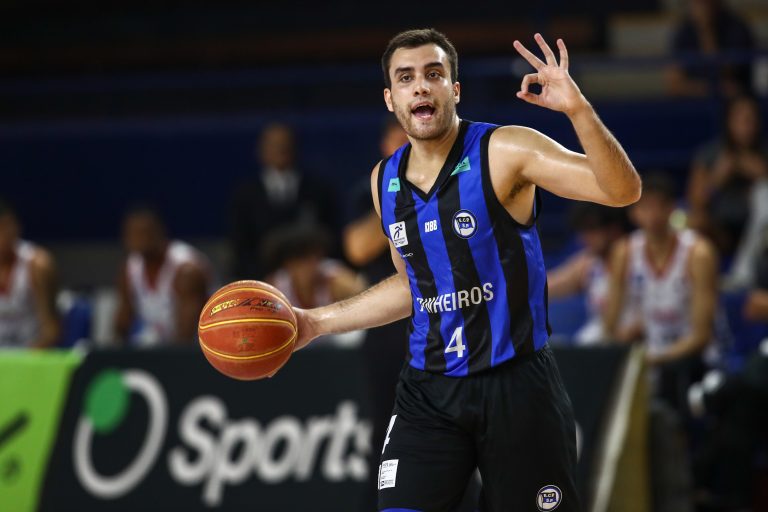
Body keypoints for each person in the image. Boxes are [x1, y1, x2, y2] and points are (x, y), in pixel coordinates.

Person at [288, 28, 641, 512]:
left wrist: (578, 110)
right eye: (406, 78)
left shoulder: (505, 150)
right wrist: (315, 322)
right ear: (391, 99)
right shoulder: (384, 180)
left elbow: (622, 191)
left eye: (433, 74)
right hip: (429, 389)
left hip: (517, 385)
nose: (420, 85)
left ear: (454, 89)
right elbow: (413, 285)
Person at [605, 174, 719, 406]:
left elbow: (701, 336)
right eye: (645, 207)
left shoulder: (698, 253)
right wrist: (625, 334)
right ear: (633, 213)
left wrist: (655, 359)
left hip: (695, 357)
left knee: (667, 378)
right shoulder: (624, 252)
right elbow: (610, 324)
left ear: (672, 209)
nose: (653, 215)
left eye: (660, 206)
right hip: (650, 352)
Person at [230, 123, 335, 280]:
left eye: (285, 144)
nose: (281, 149)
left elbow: (331, 238)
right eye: (274, 145)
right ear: (261, 151)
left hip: (313, 279)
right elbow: (241, 249)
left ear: (295, 148)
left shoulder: (319, 190)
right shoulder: (245, 196)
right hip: (262, 280)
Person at [687, 95, 768, 288]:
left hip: (760, 229)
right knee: (694, 221)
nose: (745, 127)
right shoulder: (710, 154)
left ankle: (742, 274)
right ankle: (690, 283)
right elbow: (696, 200)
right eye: (740, 120)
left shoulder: (764, 153)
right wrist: (718, 177)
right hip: (721, 229)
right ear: (728, 122)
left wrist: (760, 172)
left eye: (750, 120)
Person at [115, 206, 211, 346]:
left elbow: (186, 336)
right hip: (161, 345)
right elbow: (122, 323)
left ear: (159, 232)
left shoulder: (186, 270)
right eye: (133, 234)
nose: (138, 240)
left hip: (202, 348)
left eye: (144, 233)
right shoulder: (130, 268)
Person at [547, 202, 634, 345]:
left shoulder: (638, 255)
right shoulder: (590, 263)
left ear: (613, 229)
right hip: (603, 341)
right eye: (582, 231)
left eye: (591, 230)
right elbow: (547, 286)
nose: (584, 238)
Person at [0, 199, 60, 348]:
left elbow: (51, 330)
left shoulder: (38, 265)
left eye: (5, 227)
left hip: (31, 352)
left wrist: (26, 358)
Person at [666, 0, 755, 97]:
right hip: (694, 99)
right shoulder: (684, 30)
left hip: (733, 101)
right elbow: (674, 85)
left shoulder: (736, 27)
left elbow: (722, 74)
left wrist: (705, 30)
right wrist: (707, 89)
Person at [264, 225, 365, 310]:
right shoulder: (276, 287)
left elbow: (364, 300)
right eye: (300, 260)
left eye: (310, 258)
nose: (306, 266)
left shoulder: (336, 280)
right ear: (287, 264)